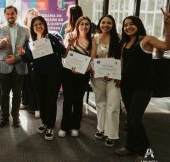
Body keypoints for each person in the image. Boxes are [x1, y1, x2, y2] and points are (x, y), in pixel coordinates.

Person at [115, 11, 170, 161]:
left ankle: (146, 152)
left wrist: (167, 25)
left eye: (131, 24)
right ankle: (130, 146)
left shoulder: (147, 40)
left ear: (138, 25)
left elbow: (166, 46)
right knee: (129, 119)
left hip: (143, 87)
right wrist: (118, 78)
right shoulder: (125, 44)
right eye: (125, 25)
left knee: (134, 119)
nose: (128, 27)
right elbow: (122, 63)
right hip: (127, 86)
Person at [18, 16, 66, 141]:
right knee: (42, 99)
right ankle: (44, 122)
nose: (38, 26)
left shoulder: (51, 37)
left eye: (41, 24)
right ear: (32, 28)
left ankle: (50, 126)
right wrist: (23, 54)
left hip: (54, 73)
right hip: (39, 74)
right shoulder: (30, 42)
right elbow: (30, 59)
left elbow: (63, 51)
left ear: (44, 25)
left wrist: (52, 41)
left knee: (50, 99)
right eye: (35, 25)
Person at [0, 5, 30, 128]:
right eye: (7, 14)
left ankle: (16, 117)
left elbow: (28, 49)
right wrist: (0, 43)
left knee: (18, 93)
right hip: (3, 66)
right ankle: (4, 117)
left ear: (16, 14)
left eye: (12, 13)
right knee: (4, 94)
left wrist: (18, 57)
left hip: (19, 65)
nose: (10, 16)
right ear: (5, 15)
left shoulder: (25, 29)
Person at [58, 16, 92, 138]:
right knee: (68, 100)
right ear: (77, 25)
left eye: (86, 24)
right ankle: (64, 126)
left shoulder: (92, 39)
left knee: (78, 101)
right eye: (81, 24)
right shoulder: (70, 36)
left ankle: (75, 126)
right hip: (68, 73)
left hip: (83, 74)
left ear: (90, 26)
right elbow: (64, 56)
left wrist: (82, 70)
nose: (84, 26)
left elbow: (92, 59)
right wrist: (69, 45)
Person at [90, 15, 122, 147]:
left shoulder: (119, 38)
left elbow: (121, 58)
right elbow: (92, 57)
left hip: (114, 77)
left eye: (109, 23)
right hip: (98, 75)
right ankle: (100, 128)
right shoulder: (95, 38)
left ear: (113, 25)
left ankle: (112, 134)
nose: (105, 25)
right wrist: (97, 70)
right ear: (99, 24)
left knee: (113, 105)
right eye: (103, 22)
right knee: (100, 103)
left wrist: (118, 75)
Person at [21, 8, 40, 119]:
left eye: (34, 14)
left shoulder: (39, 27)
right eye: (30, 15)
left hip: (36, 59)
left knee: (35, 84)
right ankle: (26, 102)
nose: (32, 16)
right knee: (26, 82)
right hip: (25, 57)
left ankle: (37, 107)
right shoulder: (23, 29)